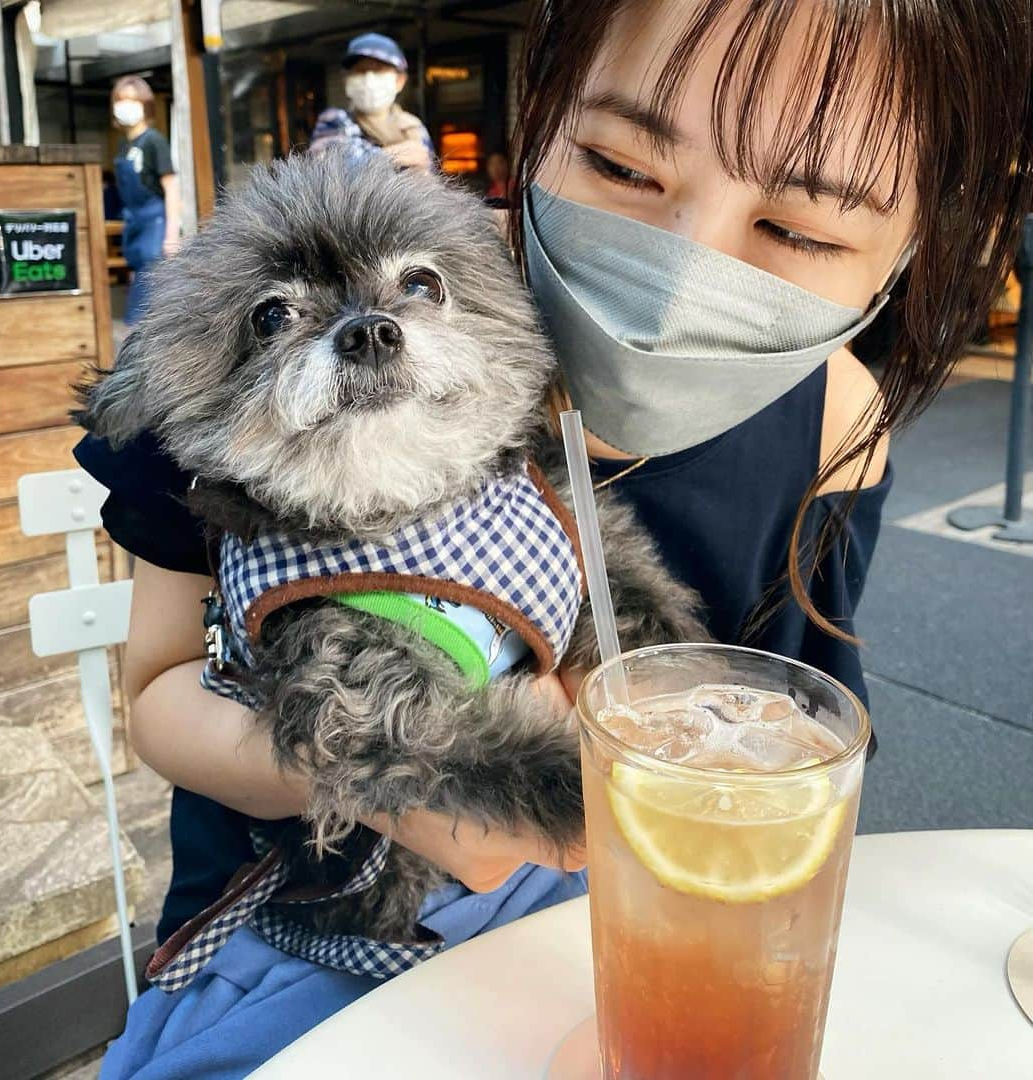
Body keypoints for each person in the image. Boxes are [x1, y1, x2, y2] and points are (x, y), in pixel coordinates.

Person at [78, 2, 1031, 1075]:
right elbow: (158, 695)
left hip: (623, 941)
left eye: (799, 231)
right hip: (291, 944)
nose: (683, 266)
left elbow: (791, 750)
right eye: (623, 167)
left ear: (911, 255)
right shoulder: (234, 371)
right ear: (542, 114)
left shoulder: (832, 422)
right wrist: (378, 767)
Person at [308, 32, 435, 171]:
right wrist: (394, 156)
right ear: (346, 81)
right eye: (360, 71)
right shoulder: (334, 120)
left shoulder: (413, 126)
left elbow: (433, 174)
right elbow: (329, 165)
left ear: (400, 81)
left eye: (379, 70)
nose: (369, 79)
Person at [112, 76, 181, 324]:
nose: (125, 106)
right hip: (134, 221)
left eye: (132, 101)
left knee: (151, 290)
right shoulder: (123, 145)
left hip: (155, 221)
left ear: (145, 105)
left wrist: (172, 235)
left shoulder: (154, 141)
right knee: (139, 283)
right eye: (121, 101)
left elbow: (171, 186)